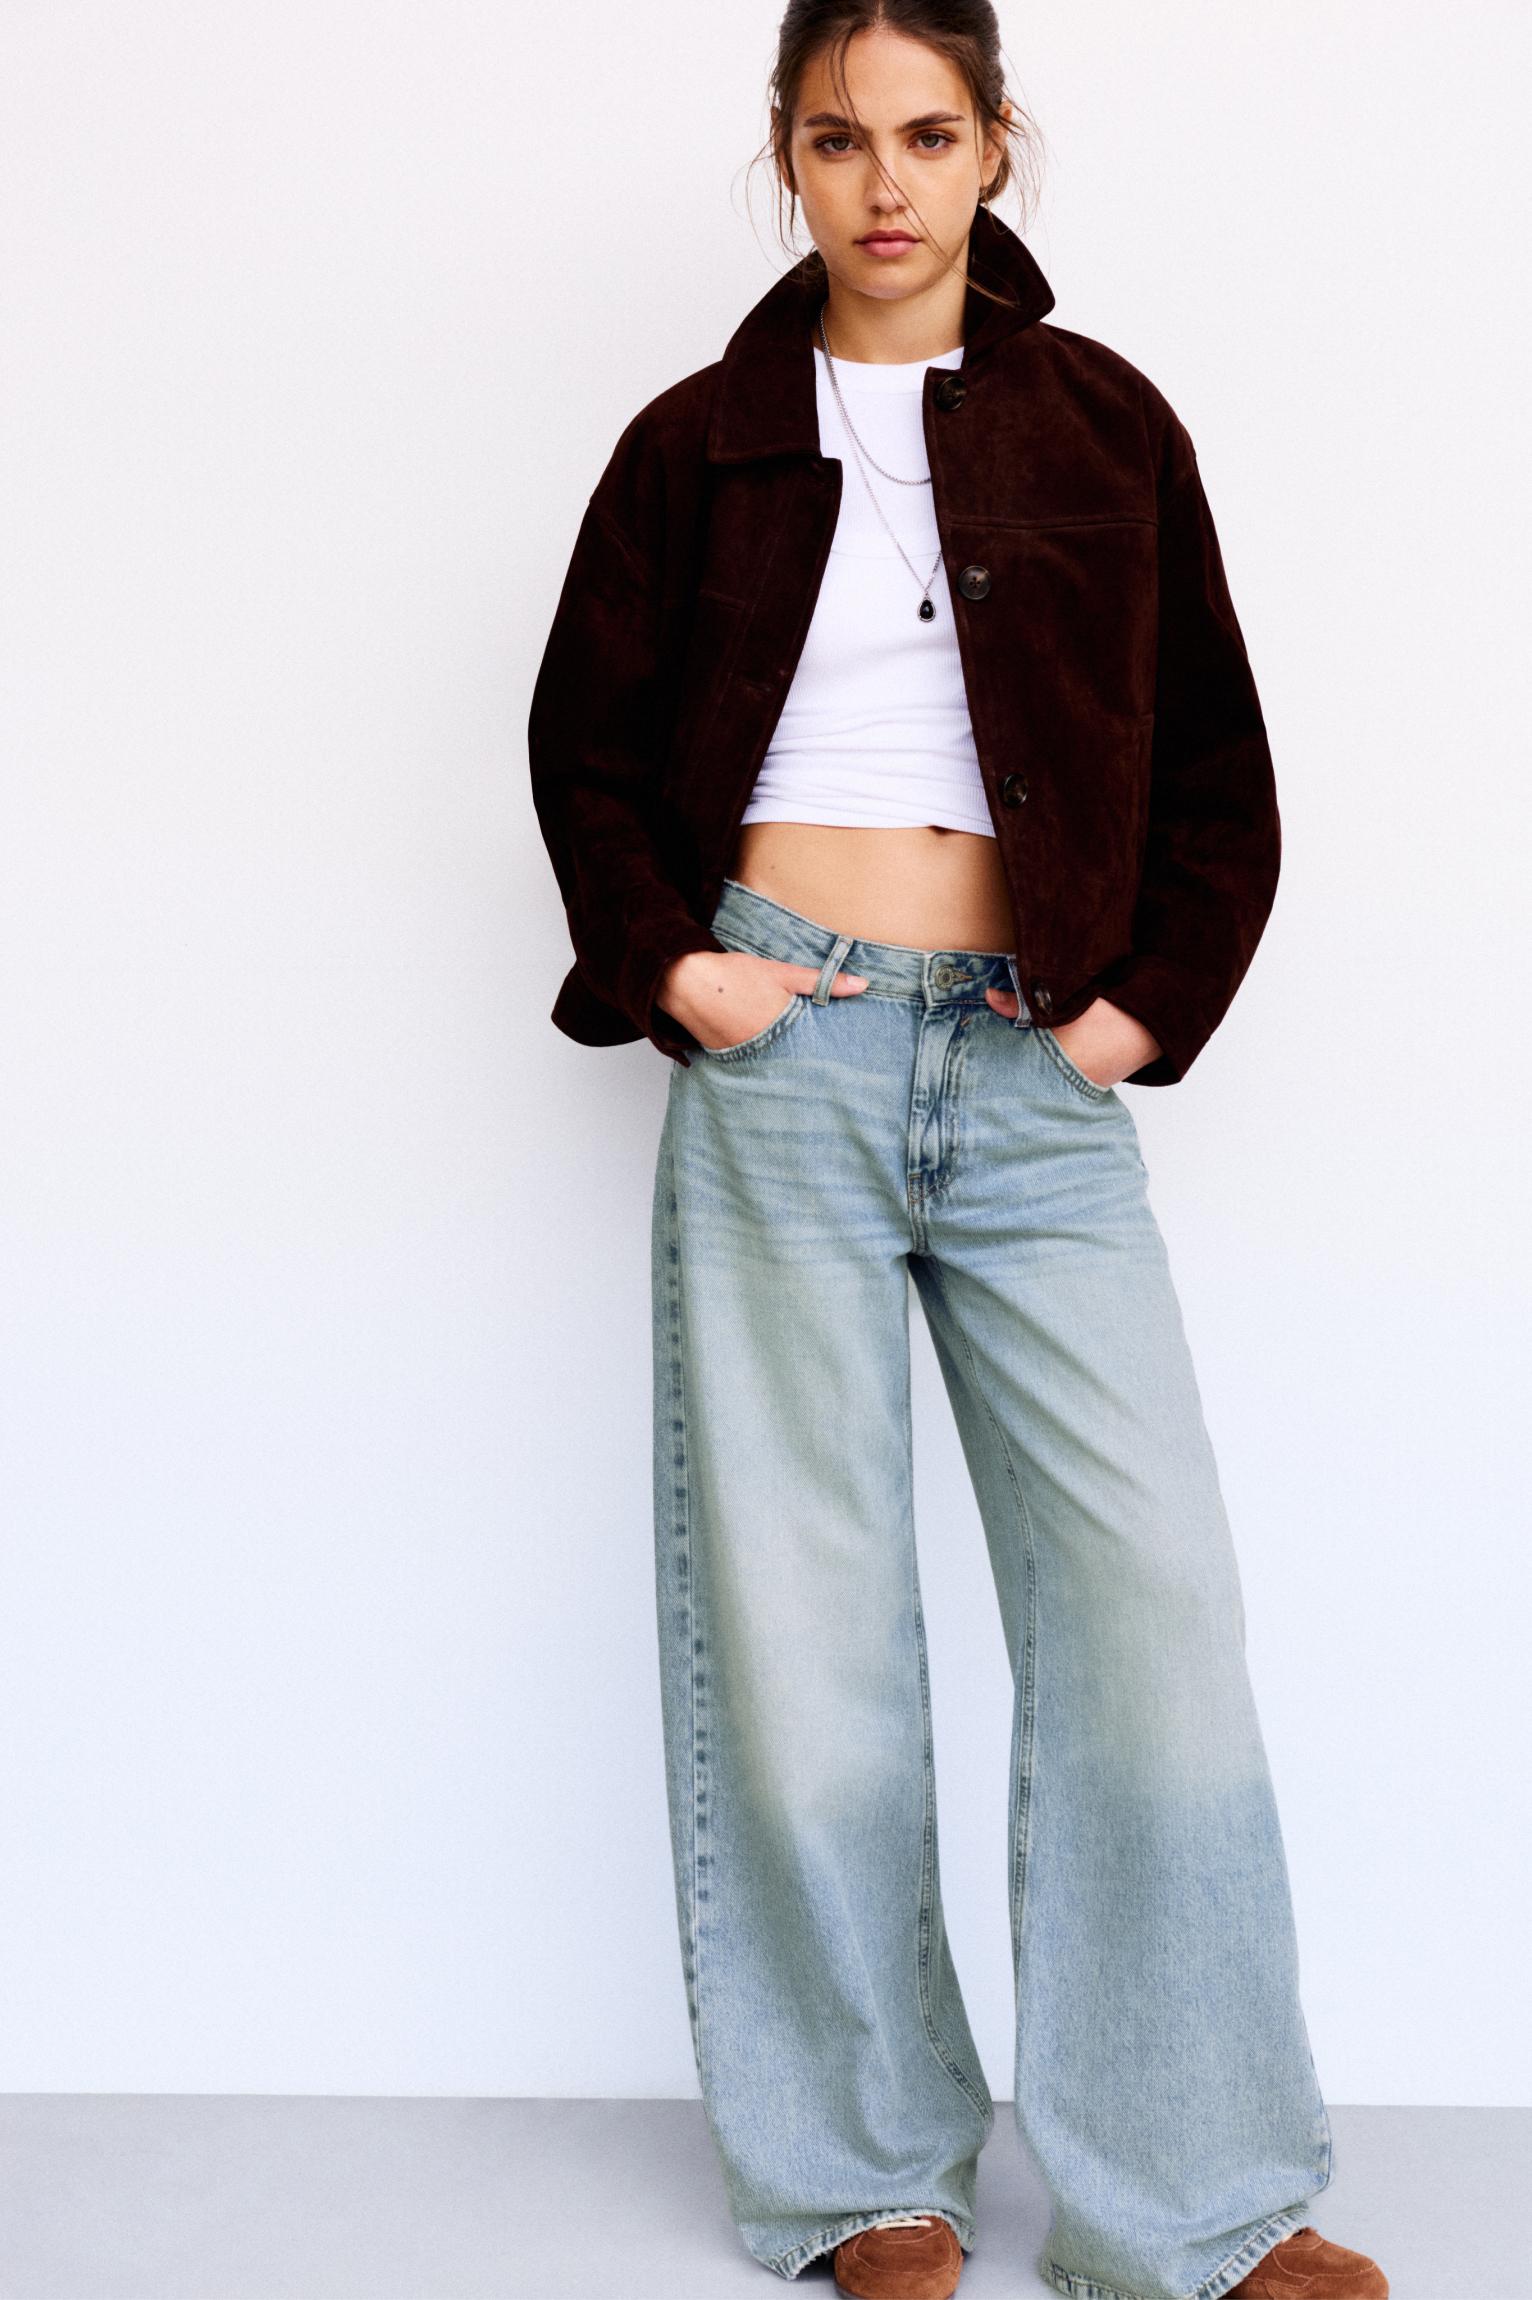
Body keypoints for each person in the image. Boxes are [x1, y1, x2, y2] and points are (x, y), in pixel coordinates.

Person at [527, 8, 1390, 2299]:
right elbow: (584, 750)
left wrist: (1136, 1009)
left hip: (1028, 1068)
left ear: (996, 145)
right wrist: (681, 968)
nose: (886, 182)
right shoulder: (697, 444)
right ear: (786, 159)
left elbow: (1216, 761)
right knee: (801, 1622)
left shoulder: (1103, 423)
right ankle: (860, 2173)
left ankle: (1194, 2195)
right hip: (783, 1046)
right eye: (839, 139)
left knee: (1147, 1606)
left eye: (927, 134)